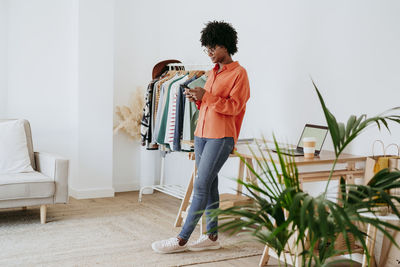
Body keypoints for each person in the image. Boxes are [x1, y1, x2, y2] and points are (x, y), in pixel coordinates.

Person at [152, 20, 250, 254]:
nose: (209, 52)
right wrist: (196, 98)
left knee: (201, 185)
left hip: (221, 137)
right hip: (202, 135)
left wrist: (205, 97)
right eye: (206, 48)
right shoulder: (210, 73)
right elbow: (209, 105)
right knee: (211, 184)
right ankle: (212, 237)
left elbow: (234, 107)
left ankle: (182, 238)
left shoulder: (239, 74)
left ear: (225, 46)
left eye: (213, 47)